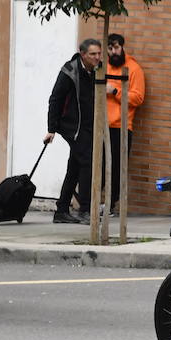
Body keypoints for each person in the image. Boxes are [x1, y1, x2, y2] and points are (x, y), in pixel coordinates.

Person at [45, 38, 103, 224]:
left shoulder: (96, 69)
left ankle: (62, 210)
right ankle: (85, 210)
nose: (97, 57)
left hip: (88, 125)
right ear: (83, 54)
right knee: (87, 163)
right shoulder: (69, 71)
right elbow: (55, 99)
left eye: (99, 53)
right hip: (73, 127)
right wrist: (51, 129)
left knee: (75, 167)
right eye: (93, 54)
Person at [104, 34, 146, 214]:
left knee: (116, 169)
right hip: (100, 126)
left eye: (117, 47)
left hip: (121, 127)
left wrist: (115, 91)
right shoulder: (103, 66)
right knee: (96, 166)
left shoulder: (134, 68)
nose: (114, 51)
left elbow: (138, 98)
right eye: (110, 48)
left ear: (122, 47)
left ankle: (110, 205)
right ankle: (93, 203)